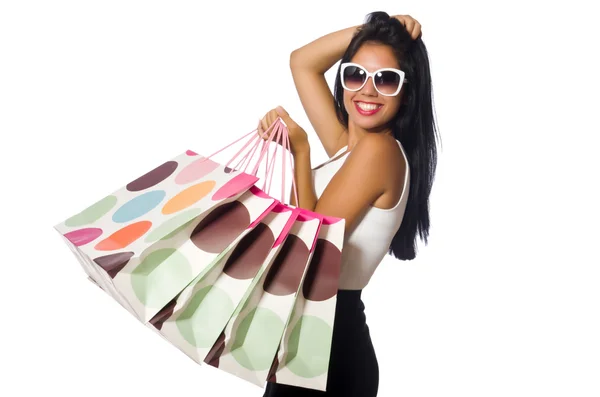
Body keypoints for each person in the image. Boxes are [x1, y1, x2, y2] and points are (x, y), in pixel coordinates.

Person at [257, 11, 439, 397]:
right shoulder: (348, 149)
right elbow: (302, 61)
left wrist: (300, 150)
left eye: (386, 80)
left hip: (329, 345)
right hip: (310, 342)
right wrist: (377, 30)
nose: (367, 90)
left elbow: (305, 246)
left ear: (407, 92)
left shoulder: (378, 151)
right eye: (356, 74)